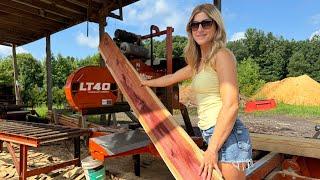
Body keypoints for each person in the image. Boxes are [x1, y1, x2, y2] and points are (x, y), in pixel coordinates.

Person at [141, 3, 252, 180]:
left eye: (206, 23)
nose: (199, 29)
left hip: (227, 135)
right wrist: (144, 83)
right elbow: (171, 78)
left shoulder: (222, 56)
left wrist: (212, 149)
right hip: (210, 133)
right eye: (195, 25)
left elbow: (231, 105)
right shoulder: (198, 63)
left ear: (216, 27)